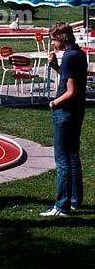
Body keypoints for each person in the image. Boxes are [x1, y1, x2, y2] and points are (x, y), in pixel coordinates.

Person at [40, 22, 87, 217]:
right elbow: (71, 81)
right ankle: (75, 200)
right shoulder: (79, 54)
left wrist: (54, 103)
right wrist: (55, 67)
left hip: (64, 111)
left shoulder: (68, 57)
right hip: (77, 111)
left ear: (62, 39)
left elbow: (71, 91)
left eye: (53, 39)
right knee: (73, 155)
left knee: (62, 159)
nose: (52, 43)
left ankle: (61, 205)